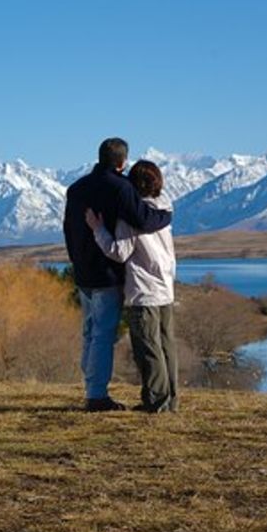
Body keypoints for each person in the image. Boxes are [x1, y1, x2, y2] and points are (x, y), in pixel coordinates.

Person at [63, 138, 172, 411]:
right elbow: (144, 220)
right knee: (103, 334)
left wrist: (76, 261)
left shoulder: (76, 189)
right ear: (122, 163)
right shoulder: (121, 187)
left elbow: (68, 230)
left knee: (89, 332)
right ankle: (97, 395)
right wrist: (167, 216)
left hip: (83, 272)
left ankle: (91, 387)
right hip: (107, 274)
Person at [85, 160, 178, 413]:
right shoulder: (163, 210)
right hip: (165, 289)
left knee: (148, 349)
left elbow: (119, 252)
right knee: (166, 346)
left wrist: (98, 229)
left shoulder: (131, 217)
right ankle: (170, 400)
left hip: (143, 292)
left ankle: (156, 402)